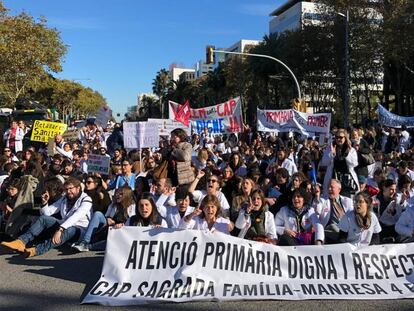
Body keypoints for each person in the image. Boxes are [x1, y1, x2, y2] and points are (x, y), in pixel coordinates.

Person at [0, 177, 92, 257]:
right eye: (66, 189)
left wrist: (60, 229)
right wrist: (45, 203)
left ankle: (36, 250)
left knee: (70, 229)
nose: (68, 192)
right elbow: (47, 213)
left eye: (70, 189)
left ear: (78, 188)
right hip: (64, 224)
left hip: (79, 229)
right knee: (44, 219)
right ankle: (21, 242)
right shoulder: (65, 198)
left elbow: (76, 216)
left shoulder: (86, 200)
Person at [72, 186, 135, 252]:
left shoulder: (132, 207)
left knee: (111, 243)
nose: (117, 195)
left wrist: (123, 225)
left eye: (121, 194)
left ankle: (88, 246)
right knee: (98, 214)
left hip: (120, 233)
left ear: (127, 195)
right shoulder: (113, 205)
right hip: (109, 229)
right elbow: (107, 216)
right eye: (117, 193)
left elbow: (133, 223)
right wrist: (108, 219)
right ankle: (84, 242)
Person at [320, 129, 359, 198]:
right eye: (337, 137)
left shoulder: (350, 149)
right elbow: (324, 162)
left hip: (346, 182)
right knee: (333, 200)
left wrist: (347, 154)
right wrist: (331, 154)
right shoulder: (330, 148)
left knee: (346, 202)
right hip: (333, 180)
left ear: (345, 138)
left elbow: (354, 164)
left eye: (341, 137)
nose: (338, 139)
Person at [316, 179, 353, 244]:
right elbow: (318, 209)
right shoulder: (322, 200)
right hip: (327, 230)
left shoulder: (348, 201)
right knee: (333, 227)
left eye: (332, 187)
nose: (329, 189)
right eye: (328, 187)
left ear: (339, 189)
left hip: (343, 230)